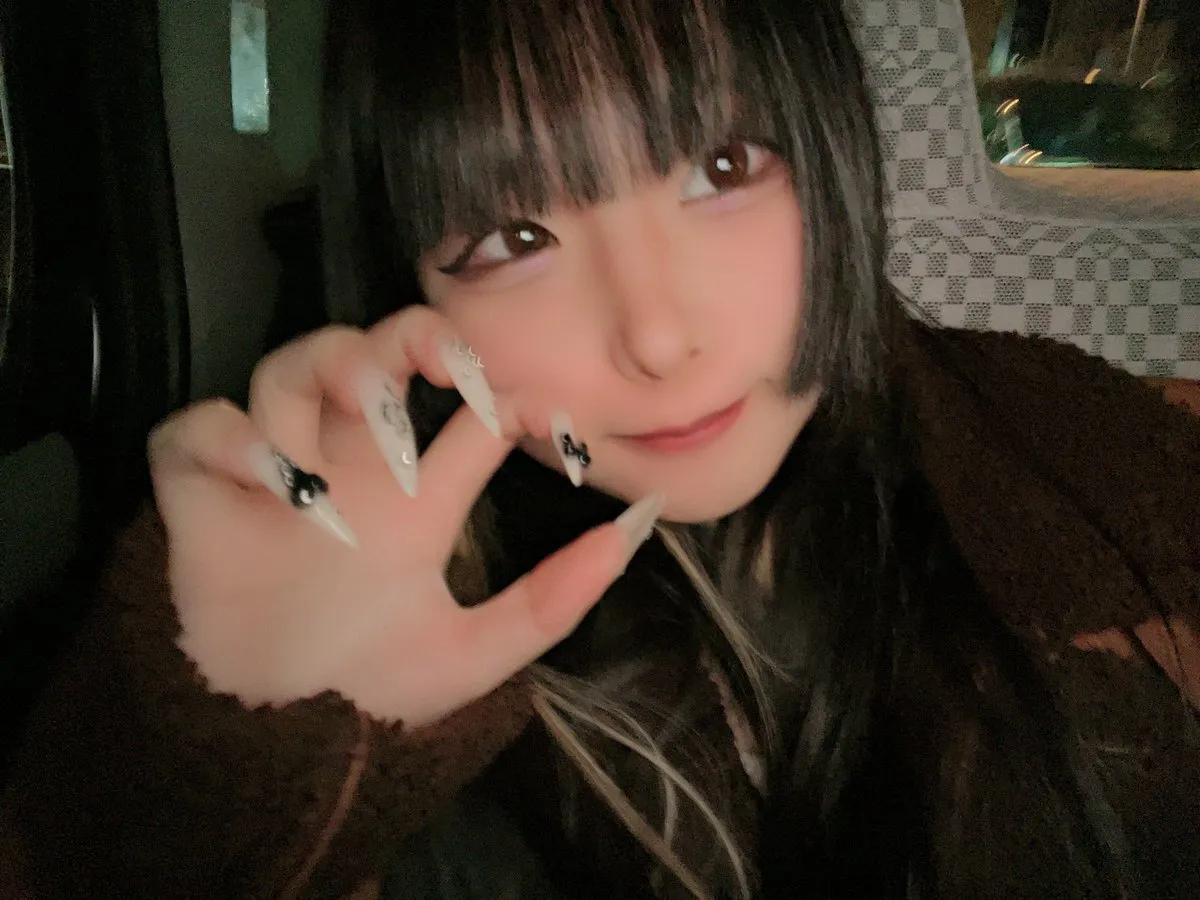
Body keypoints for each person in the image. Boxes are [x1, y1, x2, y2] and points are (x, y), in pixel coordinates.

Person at [2, 0, 1198, 897]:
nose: (658, 338)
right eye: (516, 237)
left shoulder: (1074, 445)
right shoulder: (395, 598)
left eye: (721, 167)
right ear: (412, 280)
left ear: (835, 149)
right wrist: (236, 758)